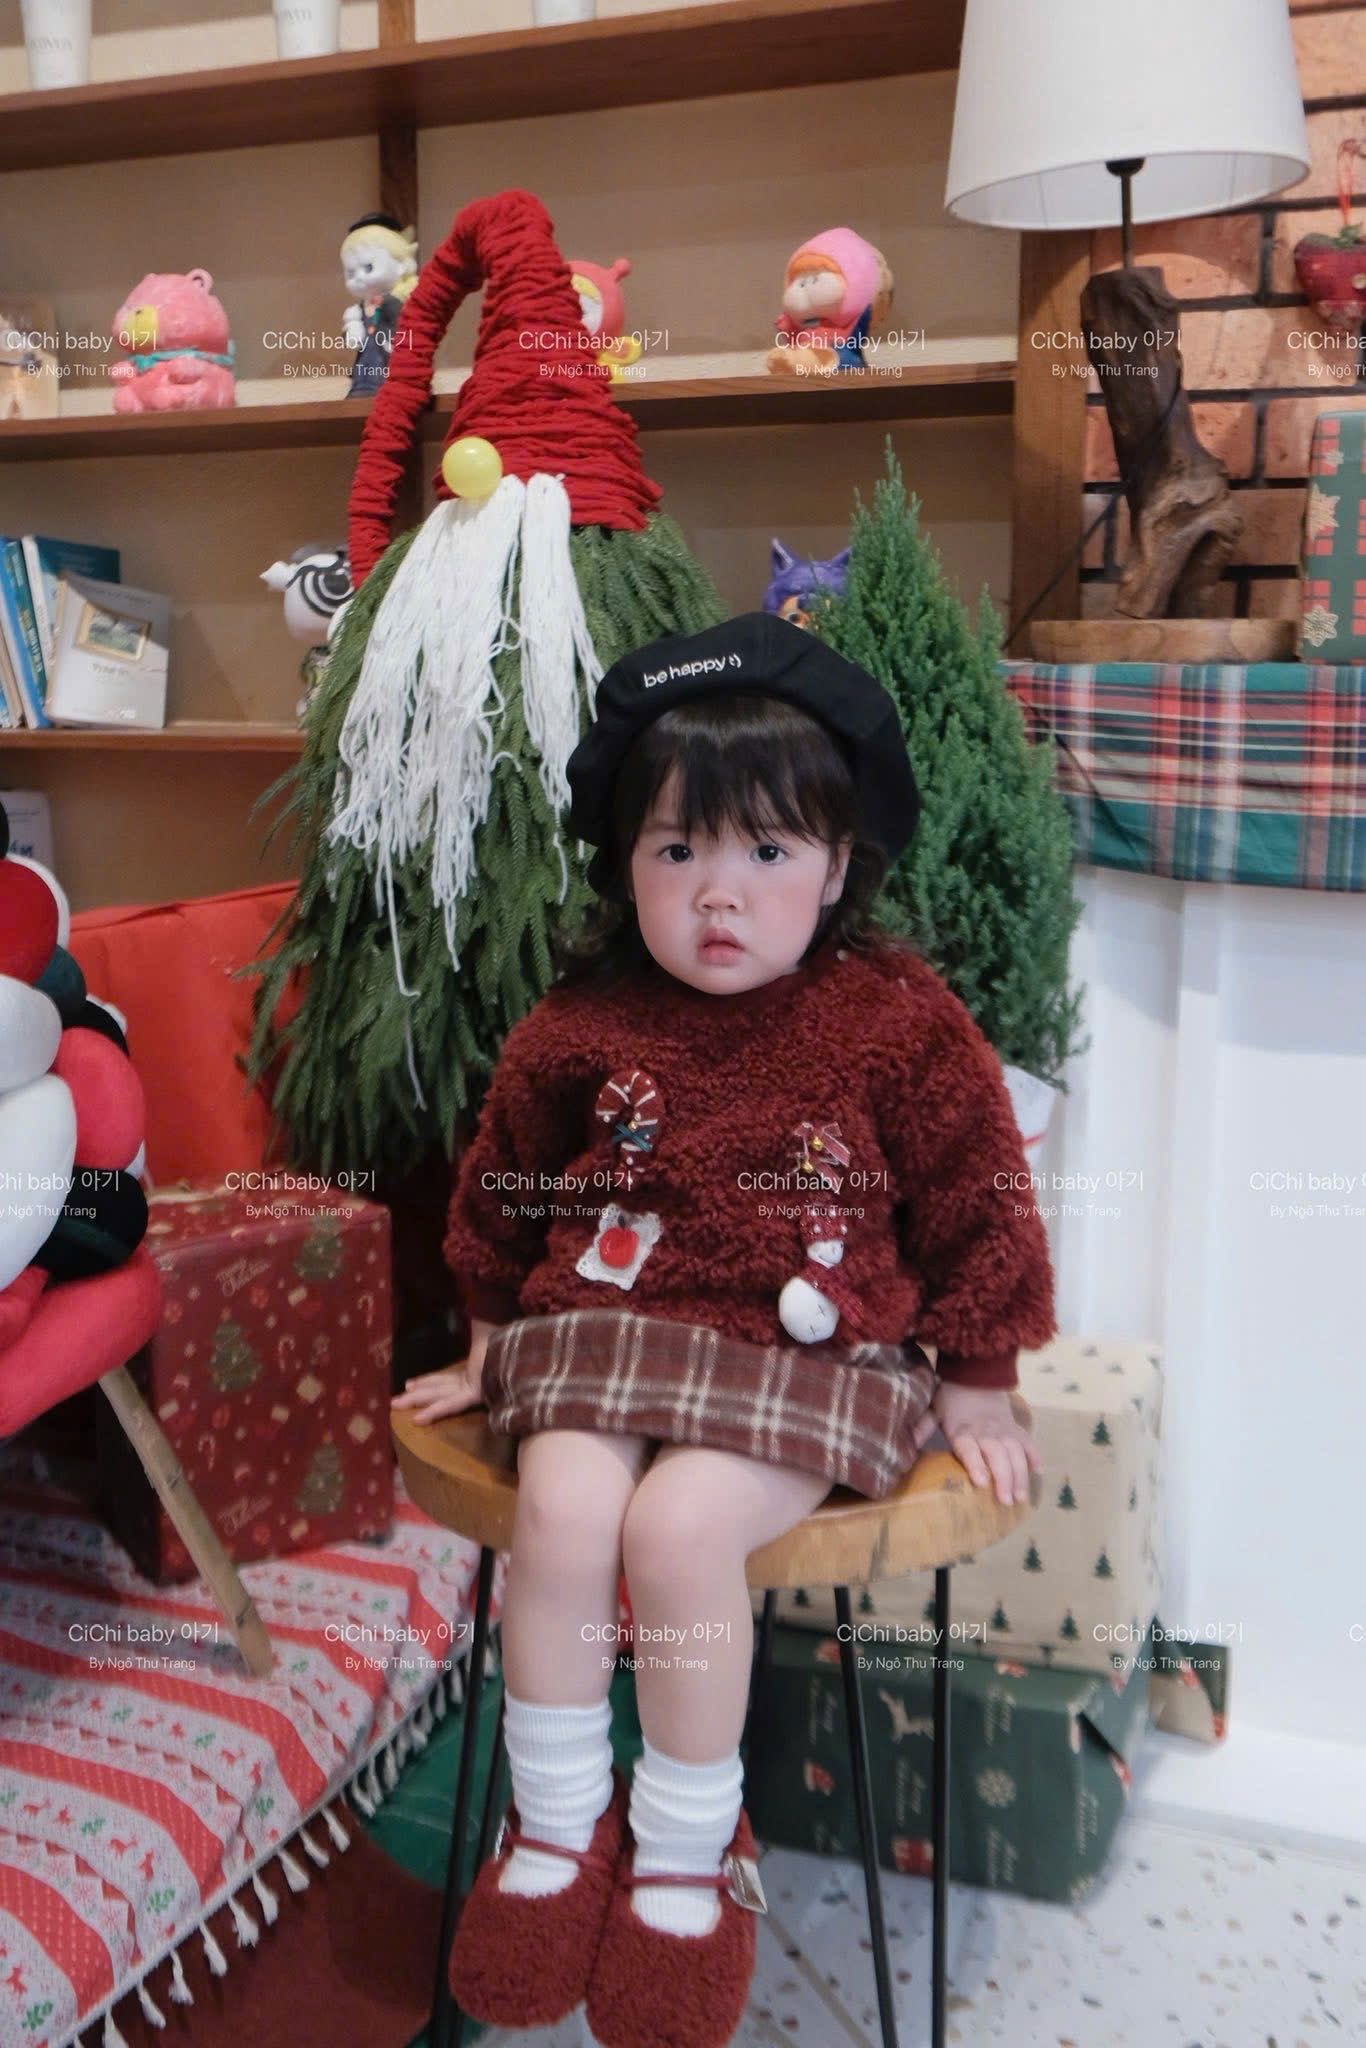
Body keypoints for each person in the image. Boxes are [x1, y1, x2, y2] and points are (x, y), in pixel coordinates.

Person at [391, 610, 1057, 2048]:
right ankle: (556, 1826)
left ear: (837, 867)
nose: (717, 894)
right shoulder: (584, 1022)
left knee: (682, 1528)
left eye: (765, 852)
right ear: (623, 861)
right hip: (607, 1329)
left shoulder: (896, 1021)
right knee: (565, 1507)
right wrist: (490, 1329)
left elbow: (978, 1192)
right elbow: (505, 1181)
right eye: (676, 848)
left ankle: (690, 1853)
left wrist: (979, 1377)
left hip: (804, 1348)